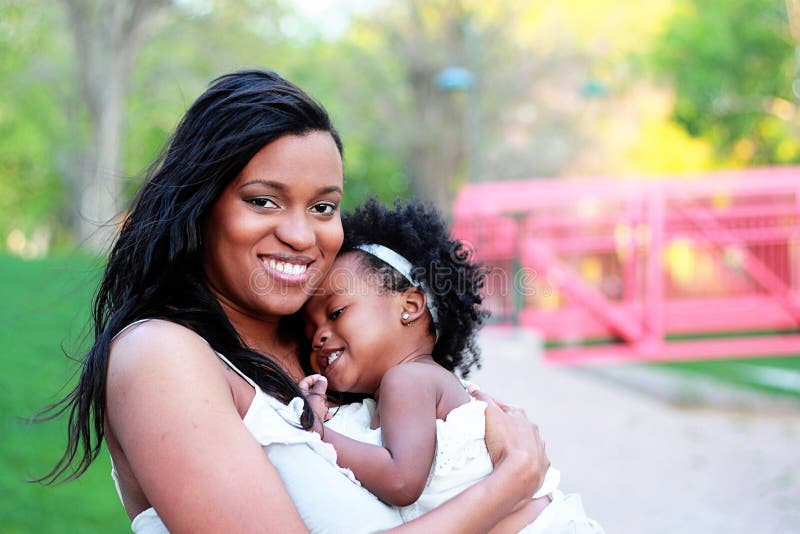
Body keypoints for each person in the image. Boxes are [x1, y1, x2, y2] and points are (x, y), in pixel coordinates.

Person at [40, 69, 550, 533]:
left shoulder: (330, 354)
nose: (301, 235)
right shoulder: (160, 357)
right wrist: (510, 486)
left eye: (323, 206)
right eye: (263, 200)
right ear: (202, 204)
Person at [301, 199, 603, 533]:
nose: (319, 337)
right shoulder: (420, 385)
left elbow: (401, 482)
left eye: (336, 312)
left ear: (411, 306)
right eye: (310, 329)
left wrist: (319, 434)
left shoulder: (407, 380)